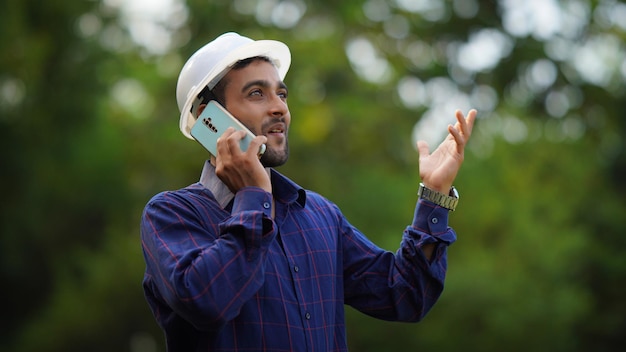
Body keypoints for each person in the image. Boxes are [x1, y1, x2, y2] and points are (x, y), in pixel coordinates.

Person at [140, 32, 477, 351]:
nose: (279, 108)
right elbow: (208, 301)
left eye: (281, 94)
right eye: (257, 93)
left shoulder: (318, 215)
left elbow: (405, 296)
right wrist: (254, 198)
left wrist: (435, 194)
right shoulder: (171, 214)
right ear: (207, 119)